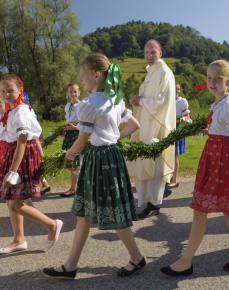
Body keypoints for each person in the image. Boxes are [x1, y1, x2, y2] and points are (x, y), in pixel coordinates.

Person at [43, 53, 144, 279]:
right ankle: (71, 265)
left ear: (96, 75)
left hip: (100, 159)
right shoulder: (114, 98)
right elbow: (134, 124)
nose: (81, 80)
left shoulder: (90, 104)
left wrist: (67, 156)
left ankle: (137, 258)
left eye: (83, 75)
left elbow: (81, 142)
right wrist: (114, 138)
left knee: (112, 212)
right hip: (110, 156)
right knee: (85, 214)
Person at [160, 60, 229, 277]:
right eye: (209, 78)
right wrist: (205, 130)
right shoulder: (218, 103)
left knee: (222, 210)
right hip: (213, 156)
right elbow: (221, 131)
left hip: (226, 160)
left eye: (217, 79)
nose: (212, 82)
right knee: (209, 210)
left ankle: (189, 260)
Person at [0, 74, 62, 254]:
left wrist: (12, 171)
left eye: (10, 90)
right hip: (13, 153)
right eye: (3, 91)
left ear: (20, 91)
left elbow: (22, 141)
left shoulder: (21, 111)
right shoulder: (12, 110)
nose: (6, 94)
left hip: (22, 155)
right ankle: (19, 240)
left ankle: (51, 225)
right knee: (11, 200)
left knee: (15, 204)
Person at [127, 39, 176, 218]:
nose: (149, 55)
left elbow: (162, 101)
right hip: (146, 125)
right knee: (145, 162)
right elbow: (149, 98)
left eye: (153, 52)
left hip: (156, 127)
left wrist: (142, 101)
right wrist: (137, 101)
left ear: (160, 53)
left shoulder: (164, 72)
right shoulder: (151, 73)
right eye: (146, 52)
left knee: (153, 164)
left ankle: (154, 204)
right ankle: (148, 200)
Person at [167, 83, 190, 189]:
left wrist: (176, 119)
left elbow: (187, 116)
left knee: (174, 155)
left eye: (179, 89)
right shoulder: (167, 100)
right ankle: (170, 175)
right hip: (167, 129)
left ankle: (175, 180)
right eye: (175, 89)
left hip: (177, 128)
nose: (177, 91)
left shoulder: (182, 101)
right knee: (167, 154)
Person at [60, 83, 81, 197]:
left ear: (79, 92)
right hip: (69, 134)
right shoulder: (67, 106)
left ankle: (73, 188)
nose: (73, 94)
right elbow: (67, 119)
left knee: (73, 161)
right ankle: (76, 184)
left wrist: (75, 127)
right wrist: (63, 130)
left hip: (78, 133)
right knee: (68, 160)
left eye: (75, 91)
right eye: (71, 92)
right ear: (67, 94)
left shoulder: (82, 105)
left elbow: (86, 122)